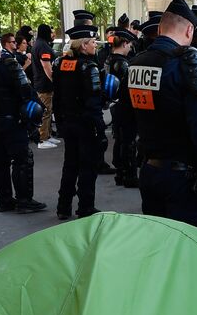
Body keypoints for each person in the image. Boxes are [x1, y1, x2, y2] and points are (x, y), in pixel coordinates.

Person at [124, 0, 197, 226]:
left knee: (157, 243)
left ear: (160, 28)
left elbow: (125, 118)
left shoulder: (137, 63)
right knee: (184, 247)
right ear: (190, 29)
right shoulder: (186, 63)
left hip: (149, 170)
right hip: (182, 177)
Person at [0, 31, 47, 214]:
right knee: (22, 160)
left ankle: (3, 201)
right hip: (12, 121)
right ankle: (24, 200)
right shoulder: (8, 64)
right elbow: (25, 90)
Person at [52, 26, 107, 220]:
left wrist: (59, 122)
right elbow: (94, 101)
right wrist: (99, 128)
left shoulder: (60, 63)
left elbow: (56, 97)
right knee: (87, 166)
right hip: (85, 124)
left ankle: (63, 207)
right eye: (93, 42)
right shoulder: (89, 67)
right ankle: (85, 207)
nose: (95, 46)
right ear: (84, 45)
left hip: (68, 122)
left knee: (70, 164)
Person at [106, 28, 141, 188]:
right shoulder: (123, 63)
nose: (130, 48)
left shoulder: (109, 59)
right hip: (126, 105)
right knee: (128, 140)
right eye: (129, 45)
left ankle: (120, 172)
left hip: (115, 104)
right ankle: (129, 174)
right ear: (125, 43)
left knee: (120, 139)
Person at [31, 25, 59, 148]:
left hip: (42, 83)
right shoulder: (42, 46)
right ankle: (42, 139)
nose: (53, 34)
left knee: (48, 110)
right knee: (45, 111)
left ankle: (46, 135)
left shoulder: (40, 44)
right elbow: (46, 66)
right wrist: (54, 79)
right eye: (51, 32)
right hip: (44, 84)